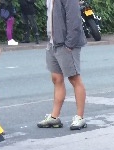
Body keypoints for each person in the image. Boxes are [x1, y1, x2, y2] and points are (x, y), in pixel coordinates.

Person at [37, 0, 87, 130]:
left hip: (66, 44)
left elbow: (74, 20)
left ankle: (80, 117)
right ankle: (54, 117)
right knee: (56, 78)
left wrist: (69, 44)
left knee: (74, 78)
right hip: (53, 43)